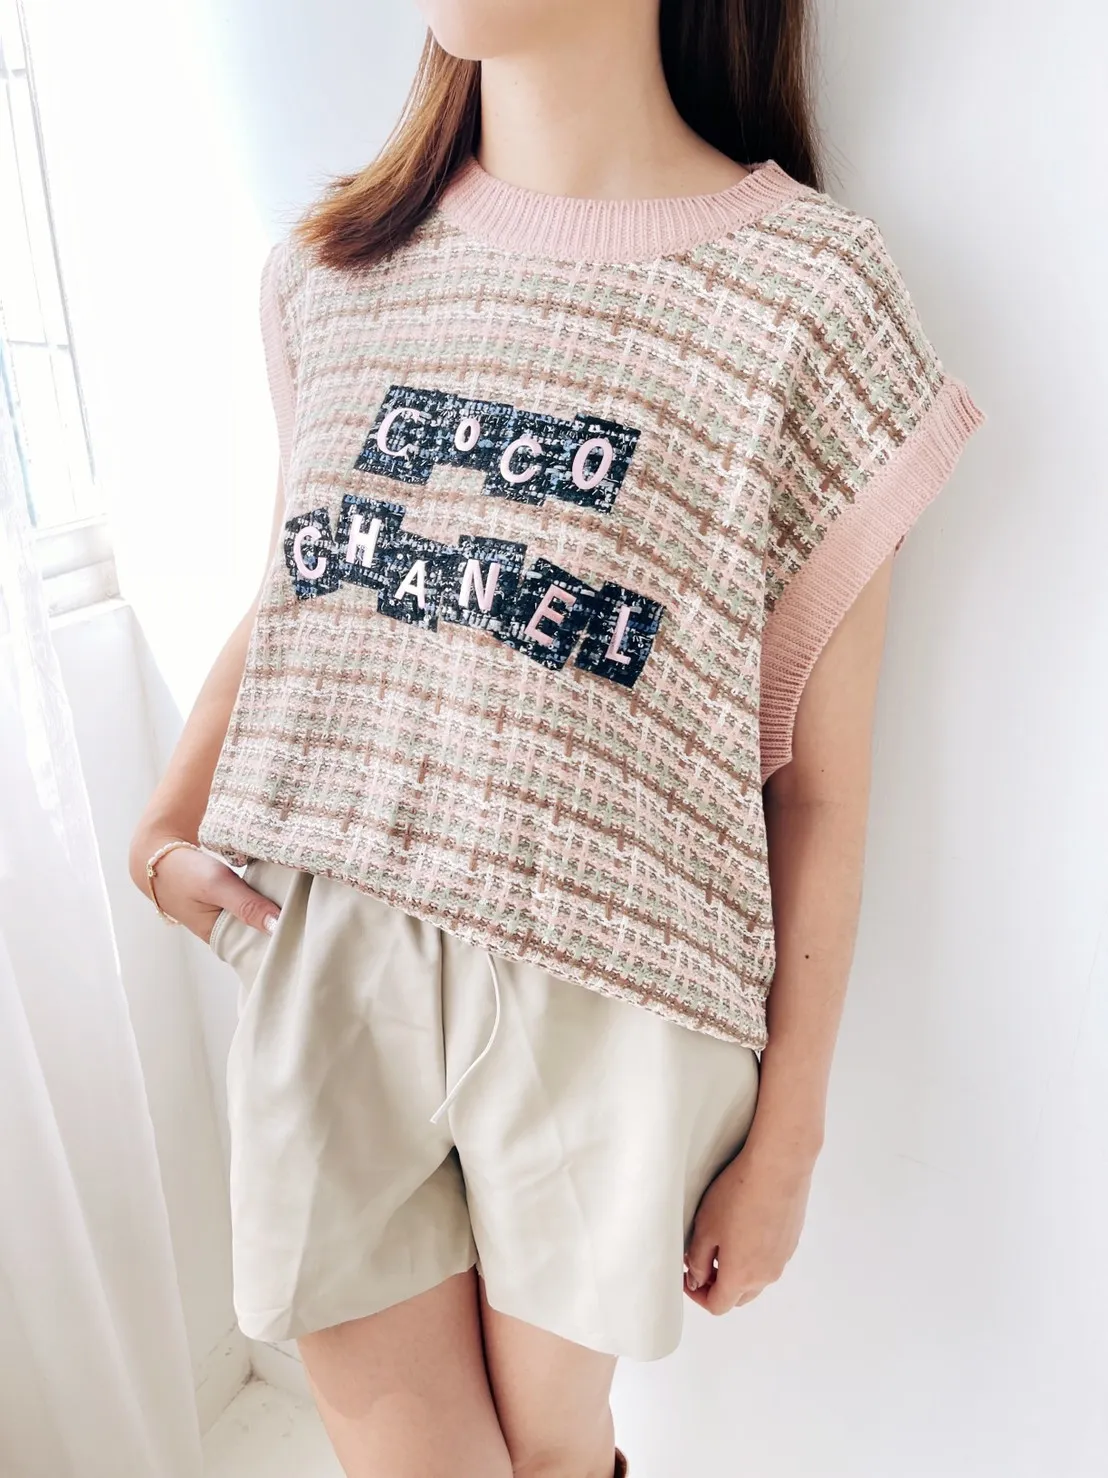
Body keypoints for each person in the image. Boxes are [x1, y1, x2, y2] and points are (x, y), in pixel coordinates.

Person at [129, 1, 985, 1473]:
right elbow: (307, 589)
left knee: (550, 1454)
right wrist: (162, 828)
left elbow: (820, 790)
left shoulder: (809, 299)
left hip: (615, 984)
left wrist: (789, 1137)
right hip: (334, 947)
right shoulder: (337, 269)